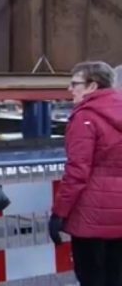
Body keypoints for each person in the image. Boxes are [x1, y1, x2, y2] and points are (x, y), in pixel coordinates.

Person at [50, 61, 122, 286]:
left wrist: (59, 213)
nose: (70, 89)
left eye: (75, 84)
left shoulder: (85, 117)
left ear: (92, 86)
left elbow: (77, 172)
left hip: (91, 215)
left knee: (91, 276)